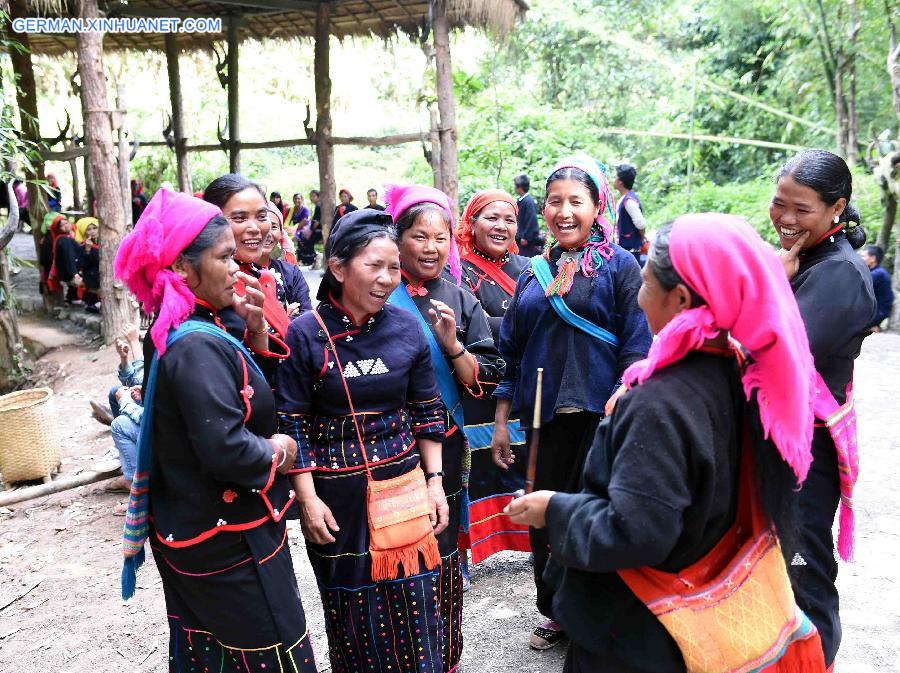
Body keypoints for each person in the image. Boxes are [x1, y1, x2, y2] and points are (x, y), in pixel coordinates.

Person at [507, 214, 826, 673]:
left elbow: (637, 532)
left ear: (678, 298)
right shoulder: (737, 372)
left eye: (644, 282)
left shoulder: (659, 403)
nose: (638, 297)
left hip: (640, 629)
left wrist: (554, 509)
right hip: (693, 593)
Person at [114, 188, 317, 672]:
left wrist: (254, 333)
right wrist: (281, 450)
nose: (236, 267)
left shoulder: (183, 325)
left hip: (196, 532)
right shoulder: (194, 345)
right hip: (228, 540)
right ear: (183, 268)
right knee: (270, 652)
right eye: (225, 257)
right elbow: (227, 449)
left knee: (212, 653)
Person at [274, 209, 448, 673]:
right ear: (337, 267)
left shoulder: (408, 327)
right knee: (353, 616)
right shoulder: (305, 334)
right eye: (374, 265)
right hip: (337, 503)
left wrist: (434, 483)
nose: (387, 278)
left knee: (417, 607)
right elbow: (292, 424)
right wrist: (307, 501)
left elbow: (427, 410)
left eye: (394, 267)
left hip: (404, 490)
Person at [492, 156, 652, 650]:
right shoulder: (531, 272)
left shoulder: (621, 267)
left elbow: (637, 342)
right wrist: (502, 421)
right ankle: (556, 609)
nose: (564, 212)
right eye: (555, 202)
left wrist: (624, 395)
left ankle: (598, 610)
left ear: (597, 205)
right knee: (547, 514)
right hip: (543, 418)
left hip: (602, 414)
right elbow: (512, 353)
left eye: (575, 202)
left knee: (598, 512)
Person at [385, 183, 506, 668]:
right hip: (386, 446)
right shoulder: (377, 292)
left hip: (447, 441)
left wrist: (453, 344)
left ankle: (440, 653)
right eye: (419, 236)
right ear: (398, 240)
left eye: (440, 238)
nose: (431, 247)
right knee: (393, 547)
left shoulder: (458, 297)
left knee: (440, 545)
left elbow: (490, 368)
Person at [770, 149, 876, 669]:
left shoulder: (839, 274)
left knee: (802, 567)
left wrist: (772, 279)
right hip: (781, 440)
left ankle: (816, 663)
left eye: (801, 209)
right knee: (774, 566)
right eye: (779, 204)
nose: (786, 219)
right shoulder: (806, 258)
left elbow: (778, 352)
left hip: (806, 449)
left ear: (837, 208)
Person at [453, 189, 531, 564]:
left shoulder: (532, 267)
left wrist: (497, 324)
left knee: (527, 460)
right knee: (478, 468)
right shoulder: (457, 270)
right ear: (471, 222)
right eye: (491, 218)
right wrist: (520, 325)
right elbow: (469, 329)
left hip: (523, 383)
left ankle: (535, 538)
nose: (501, 226)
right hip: (478, 386)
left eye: (509, 220)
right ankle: (470, 547)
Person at [203, 174, 293, 340]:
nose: (255, 228)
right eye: (239, 218)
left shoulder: (263, 279)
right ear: (211, 222)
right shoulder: (208, 288)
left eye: (261, 217)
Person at [259, 199, 312, 317]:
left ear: (281, 232)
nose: (268, 233)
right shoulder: (236, 272)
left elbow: (306, 317)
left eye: (273, 227)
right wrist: (283, 318)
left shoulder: (291, 272)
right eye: (262, 225)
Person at [613, 163, 646, 263]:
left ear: (620, 182)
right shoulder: (625, 199)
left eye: (615, 177)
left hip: (630, 250)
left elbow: (640, 224)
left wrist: (641, 237)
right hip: (625, 249)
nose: (613, 179)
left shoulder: (629, 201)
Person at [48, 216, 83, 304]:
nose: (66, 226)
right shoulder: (64, 240)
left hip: (70, 270)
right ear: (58, 229)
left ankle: (71, 296)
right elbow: (69, 257)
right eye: (62, 225)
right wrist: (75, 274)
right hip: (70, 271)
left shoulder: (70, 235)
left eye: (66, 223)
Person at [860, 243, 893, 331]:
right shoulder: (875, 271)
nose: (861, 259)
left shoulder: (878, 273)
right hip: (875, 310)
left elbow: (858, 285)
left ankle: (873, 327)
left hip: (878, 312)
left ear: (873, 259)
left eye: (863, 256)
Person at [513, 174, 543, 257]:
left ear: (519, 187)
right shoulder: (520, 200)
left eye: (515, 186)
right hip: (520, 238)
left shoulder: (528, 201)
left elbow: (531, 220)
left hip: (526, 240)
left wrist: (526, 237)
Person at [75, 217, 100, 310]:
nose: (92, 231)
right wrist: (88, 250)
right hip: (92, 278)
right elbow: (82, 265)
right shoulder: (82, 246)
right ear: (84, 232)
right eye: (89, 229)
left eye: (94, 228)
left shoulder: (104, 242)